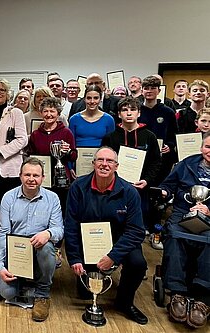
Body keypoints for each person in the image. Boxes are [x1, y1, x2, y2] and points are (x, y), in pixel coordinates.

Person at [64, 147, 148, 325]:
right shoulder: (77, 187)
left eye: (109, 161)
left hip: (120, 241)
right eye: (100, 160)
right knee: (86, 293)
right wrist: (74, 258)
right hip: (89, 242)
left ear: (117, 166)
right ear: (93, 164)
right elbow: (70, 225)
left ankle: (124, 302)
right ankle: (90, 279)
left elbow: (136, 231)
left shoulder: (130, 192)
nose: (104, 164)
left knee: (138, 263)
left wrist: (113, 256)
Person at [0, 157, 64, 322]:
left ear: (43, 178)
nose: (31, 179)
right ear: (20, 176)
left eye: (36, 175)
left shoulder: (52, 198)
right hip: (16, 255)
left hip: (39, 250)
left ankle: (42, 294)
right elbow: (3, 232)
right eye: (27, 175)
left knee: (47, 247)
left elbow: (59, 230)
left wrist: (47, 233)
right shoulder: (8, 198)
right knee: (7, 293)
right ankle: (29, 279)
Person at [157, 132, 210, 329]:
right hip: (183, 211)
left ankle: (203, 297)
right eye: (207, 147)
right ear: (201, 147)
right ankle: (177, 292)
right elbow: (168, 185)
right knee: (174, 235)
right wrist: (164, 192)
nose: (209, 151)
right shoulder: (187, 163)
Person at [101, 96, 162, 248]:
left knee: (136, 224)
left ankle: (134, 248)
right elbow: (104, 162)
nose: (129, 113)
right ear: (119, 114)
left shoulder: (149, 136)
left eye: (133, 109)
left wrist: (147, 180)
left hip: (140, 187)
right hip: (115, 187)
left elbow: (155, 161)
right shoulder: (111, 137)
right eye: (124, 110)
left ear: (139, 113)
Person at [27, 97, 77, 182]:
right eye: (45, 111)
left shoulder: (66, 132)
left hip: (62, 177)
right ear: (41, 113)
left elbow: (74, 156)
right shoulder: (35, 134)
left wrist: (68, 151)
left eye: (52, 111)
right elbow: (31, 156)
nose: (48, 114)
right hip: (42, 176)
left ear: (58, 114)